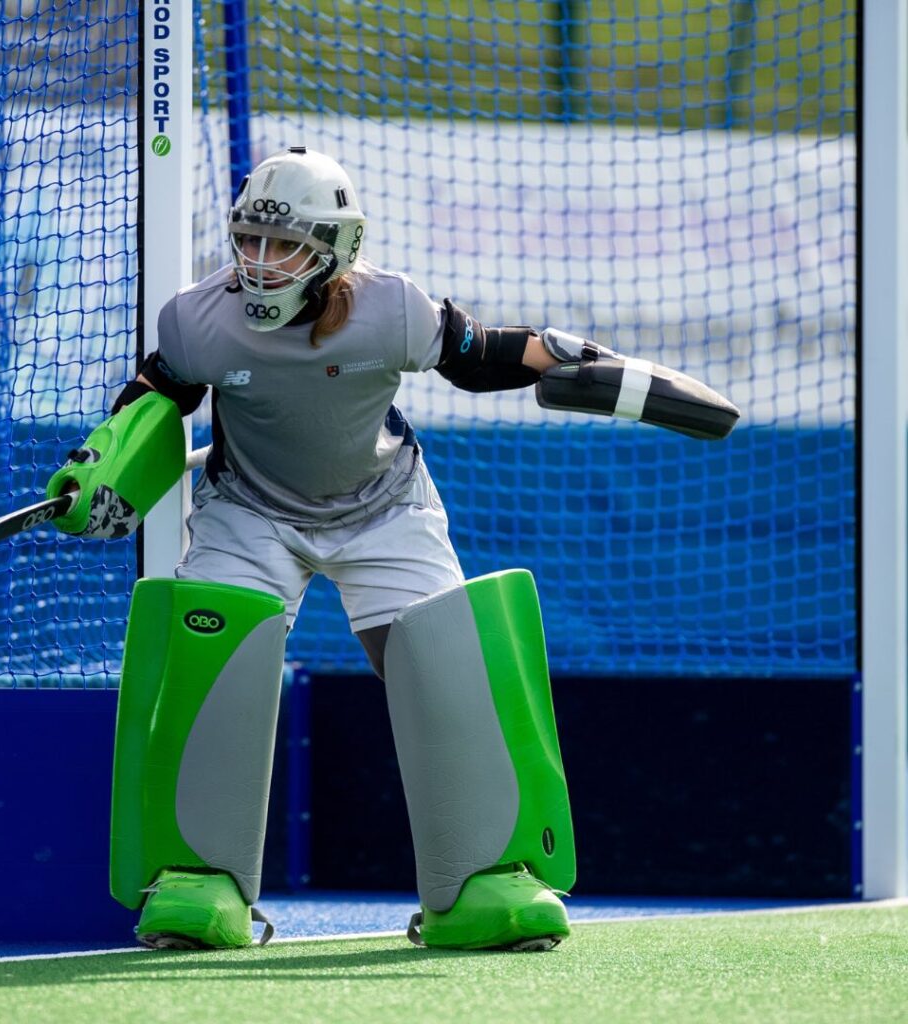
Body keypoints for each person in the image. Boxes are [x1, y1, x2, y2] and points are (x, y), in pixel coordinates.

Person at [47, 146, 737, 953]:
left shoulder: (394, 311)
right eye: (250, 242)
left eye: (287, 246)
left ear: (335, 249)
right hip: (249, 509)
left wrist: (573, 361)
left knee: (444, 661)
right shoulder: (197, 321)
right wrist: (106, 476)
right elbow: (159, 399)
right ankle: (197, 879)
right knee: (213, 654)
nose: (262, 264)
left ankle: (481, 881)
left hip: (385, 507)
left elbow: (479, 356)